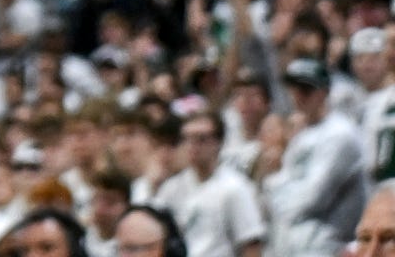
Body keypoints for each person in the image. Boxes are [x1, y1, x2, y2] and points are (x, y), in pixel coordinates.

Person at [266, 59, 369, 257]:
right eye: (294, 89)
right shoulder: (301, 135)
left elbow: (312, 199)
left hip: (328, 246)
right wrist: (280, 188)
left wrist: (279, 189)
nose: (298, 97)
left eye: (305, 90)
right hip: (293, 245)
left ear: (323, 92)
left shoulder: (340, 134)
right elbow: (279, 189)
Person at [155, 110, 265, 257]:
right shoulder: (171, 188)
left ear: (218, 142)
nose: (193, 146)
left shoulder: (235, 188)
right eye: (187, 138)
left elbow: (250, 244)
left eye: (201, 139)